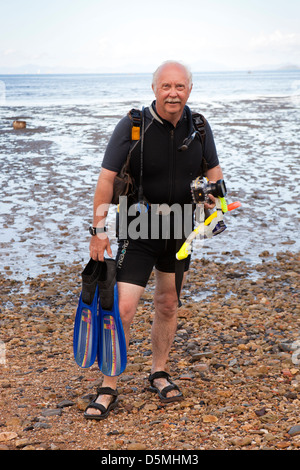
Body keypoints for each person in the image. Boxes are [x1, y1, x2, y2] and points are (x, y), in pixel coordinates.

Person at [85, 60, 224, 419]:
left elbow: (215, 177)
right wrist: (99, 231)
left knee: (167, 303)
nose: (173, 93)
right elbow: (105, 179)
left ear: (189, 90)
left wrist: (216, 207)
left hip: (180, 228)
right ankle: (108, 385)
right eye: (166, 86)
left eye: (179, 87)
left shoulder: (200, 126)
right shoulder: (134, 125)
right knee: (124, 308)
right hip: (138, 225)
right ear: (154, 89)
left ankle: (158, 372)